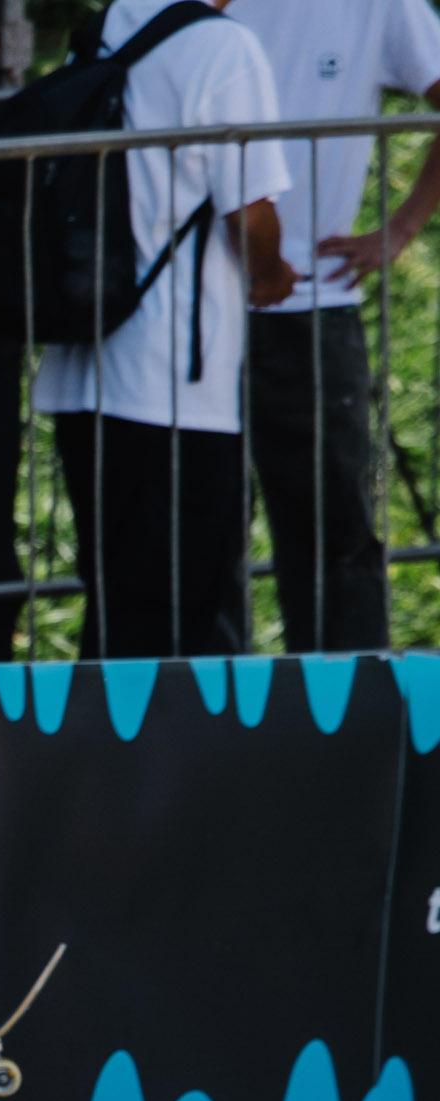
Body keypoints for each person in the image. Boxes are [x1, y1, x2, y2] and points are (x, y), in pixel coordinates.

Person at [32, 0, 293, 661]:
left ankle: (106, 757)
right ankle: (153, 764)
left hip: (85, 368)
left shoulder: (105, 30)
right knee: (180, 616)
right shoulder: (223, 48)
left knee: (117, 606)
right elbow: (251, 210)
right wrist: (270, 275)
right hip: (175, 382)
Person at [227, 0, 440, 653]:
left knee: (337, 531)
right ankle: (206, 719)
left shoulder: (377, 3)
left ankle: (346, 722)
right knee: (201, 535)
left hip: (311, 309)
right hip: (197, 315)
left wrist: (400, 227)